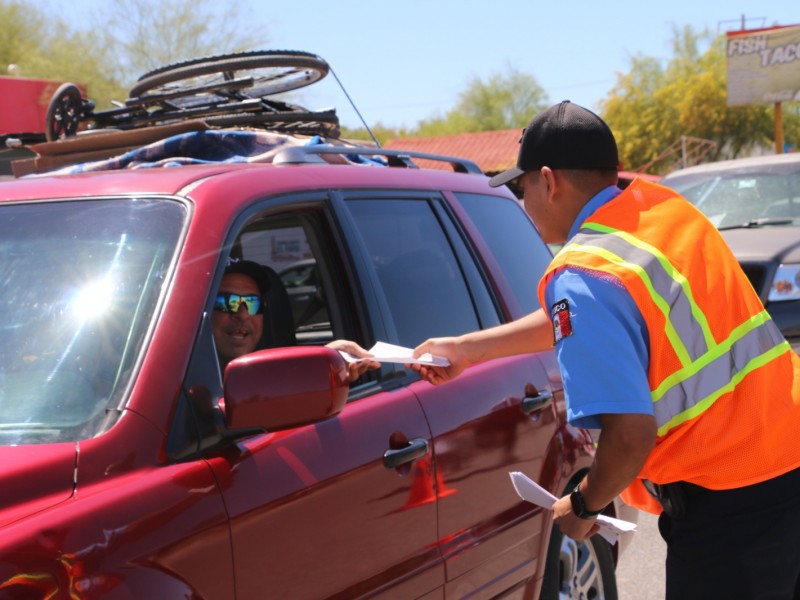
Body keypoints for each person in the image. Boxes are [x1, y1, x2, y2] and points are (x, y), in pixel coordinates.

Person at [410, 100, 800, 599]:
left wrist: (586, 505)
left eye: (521, 186)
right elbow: (598, 318)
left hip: (730, 501)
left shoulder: (584, 272)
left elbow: (630, 435)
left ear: (548, 181)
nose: (523, 201)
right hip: (785, 457)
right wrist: (468, 348)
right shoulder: (663, 212)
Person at [213, 258, 379, 381]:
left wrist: (324, 364)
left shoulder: (273, 375)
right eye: (227, 302)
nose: (242, 314)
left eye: (252, 303)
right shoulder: (189, 384)